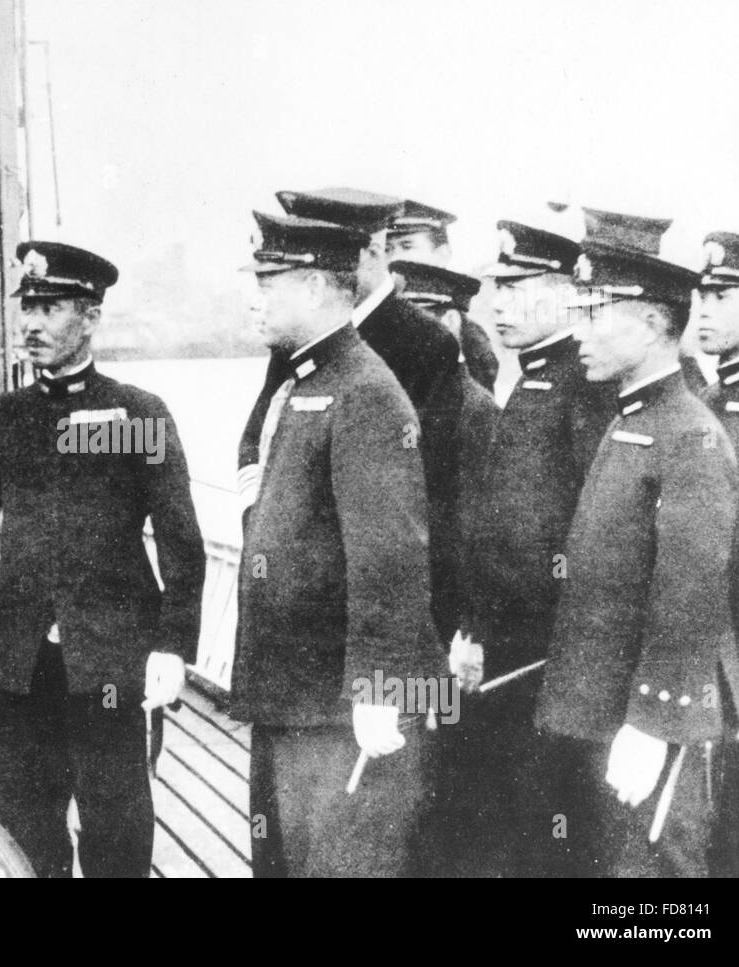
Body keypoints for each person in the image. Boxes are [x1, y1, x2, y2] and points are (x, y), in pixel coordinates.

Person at [0, 241, 205, 878]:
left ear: (90, 316)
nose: (30, 323)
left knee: (116, 826)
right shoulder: (3, 417)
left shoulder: (138, 415)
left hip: (110, 657)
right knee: (25, 827)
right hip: (22, 657)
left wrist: (173, 645)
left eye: (49, 307)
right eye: (26, 306)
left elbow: (180, 538)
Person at [534, 208, 739, 877]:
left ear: (656, 323)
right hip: (606, 705)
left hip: (653, 714)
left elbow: (692, 592)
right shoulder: (634, 418)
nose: (582, 331)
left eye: (600, 312)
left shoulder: (689, 434)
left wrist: (656, 721)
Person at [229, 211, 441, 877]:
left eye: (269, 281)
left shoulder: (366, 393)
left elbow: (390, 552)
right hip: (292, 694)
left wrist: (379, 686)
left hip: (338, 706)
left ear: (320, 287)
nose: (253, 296)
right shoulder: (307, 381)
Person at [443, 221, 616, 875]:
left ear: (564, 293)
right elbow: (502, 530)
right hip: (502, 652)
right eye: (497, 289)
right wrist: (475, 625)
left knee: (546, 841)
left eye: (517, 288)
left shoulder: (587, 385)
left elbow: (592, 536)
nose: (499, 304)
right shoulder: (531, 380)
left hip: (547, 660)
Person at [274, 187, 465, 644]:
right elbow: (257, 444)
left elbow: (435, 489)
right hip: (303, 597)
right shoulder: (298, 336)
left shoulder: (426, 344)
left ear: (372, 252)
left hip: (376, 606)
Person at [693, 230, 739, 877]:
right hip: (713, 650)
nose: (704, 308)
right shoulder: (709, 401)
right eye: (700, 294)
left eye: (723, 293)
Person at [387, 198, 499, 392]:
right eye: (388, 249)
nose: (394, 258)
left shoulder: (467, 334)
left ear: (442, 255)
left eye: (407, 246)